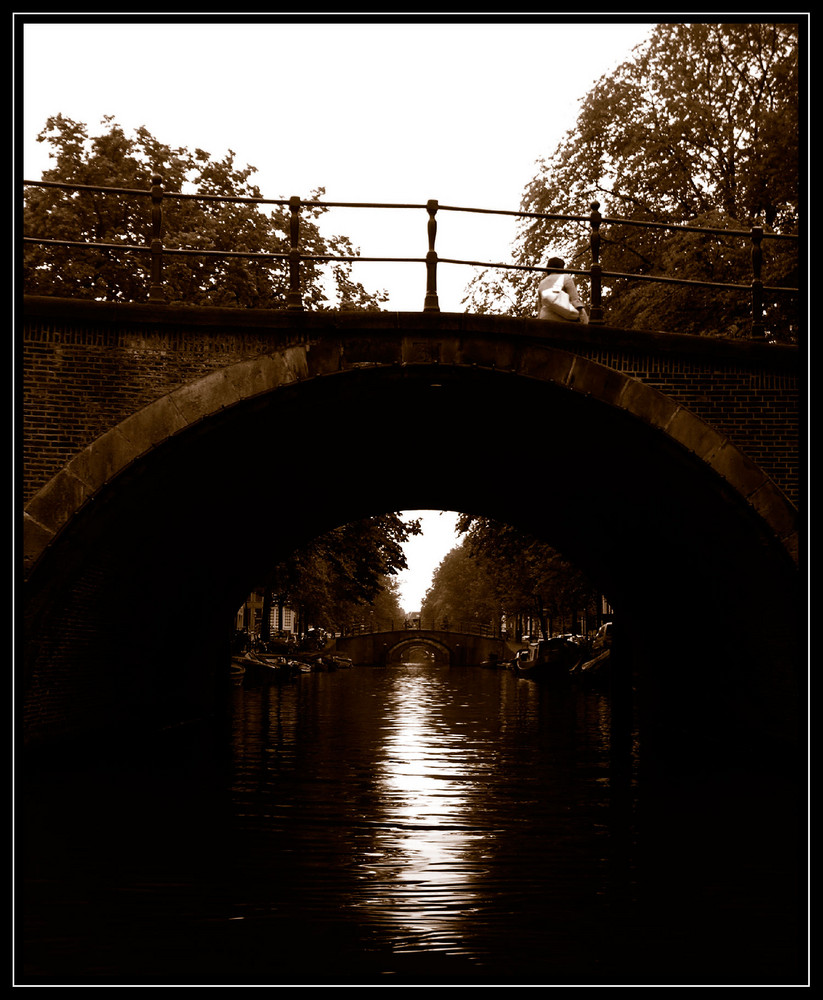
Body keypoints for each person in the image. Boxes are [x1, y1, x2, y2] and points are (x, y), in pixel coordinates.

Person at [537, 256, 588, 323]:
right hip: (563, 318)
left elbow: (540, 306)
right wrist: (583, 318)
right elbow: (575, 301)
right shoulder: (566, 277)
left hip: (545, 318)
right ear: (561, 268)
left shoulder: (542, 283)